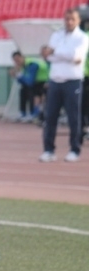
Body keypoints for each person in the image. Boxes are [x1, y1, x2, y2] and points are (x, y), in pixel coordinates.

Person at [40, 8, 89, 163]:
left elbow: (76, 57)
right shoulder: (56, 35)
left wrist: (55, 52)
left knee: (74, 118)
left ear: (78, 20)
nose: (69, 22)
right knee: (50, 117)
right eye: (67, 19)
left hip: (72, 81)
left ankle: (74, 149)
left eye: (72, 19)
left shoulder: (82, 38)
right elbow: (49, 56)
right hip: (55, 81)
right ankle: (49, 150)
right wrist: (61, 54)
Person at [11, 50, 48, 123]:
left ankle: (34, 113)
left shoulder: (32, 64)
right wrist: (17, 76)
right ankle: (23, 113)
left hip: (44, 82)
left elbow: (30, 81)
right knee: (23, 90)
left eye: (18, 60)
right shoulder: (23, 66)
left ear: (22, 57)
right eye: (15, 61)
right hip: (37, 83)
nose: (17, 62)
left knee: (32, 92)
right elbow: (23, 82)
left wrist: (19, 75)